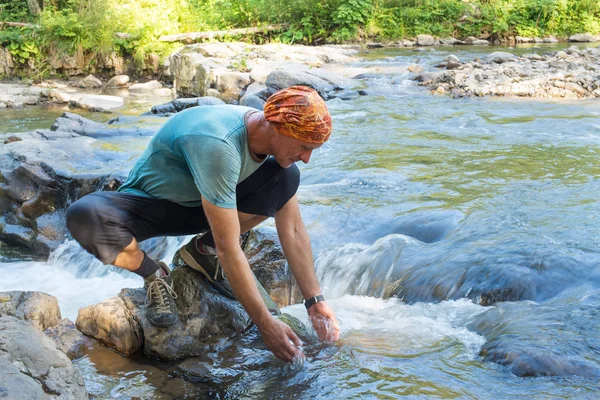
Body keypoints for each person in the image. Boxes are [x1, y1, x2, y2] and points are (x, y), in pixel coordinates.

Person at [66, 85, 340, 362]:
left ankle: (200, 251)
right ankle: (154, 274)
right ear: (276, 127)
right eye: (305, 147)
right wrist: (265, 323)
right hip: (152, 205)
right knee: (84, 215)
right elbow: (229, 247)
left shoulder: (269, 139)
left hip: (205, 206)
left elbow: (292, 228)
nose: (307, 158)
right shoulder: (218, 142)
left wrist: (315, 302)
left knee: (287, 178)